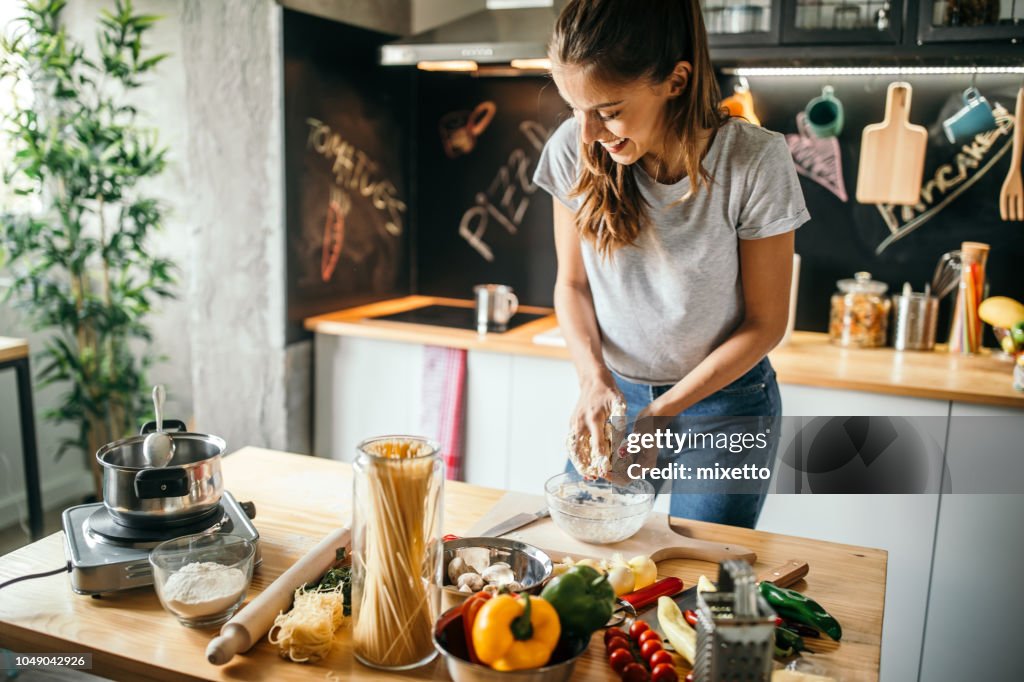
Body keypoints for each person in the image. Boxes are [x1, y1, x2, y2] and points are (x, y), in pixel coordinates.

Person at [533, 0, 809, 528]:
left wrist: (661, 414)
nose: (587, 132)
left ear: (676, 81)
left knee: (703, 580)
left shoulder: (752, 161)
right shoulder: (573, 148)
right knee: (586, 560)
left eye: (608, 110)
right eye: (574, 109)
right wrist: (593, 380)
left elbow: (766, 323)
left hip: (728, 406)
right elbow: (571, 284)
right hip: (616, 396)